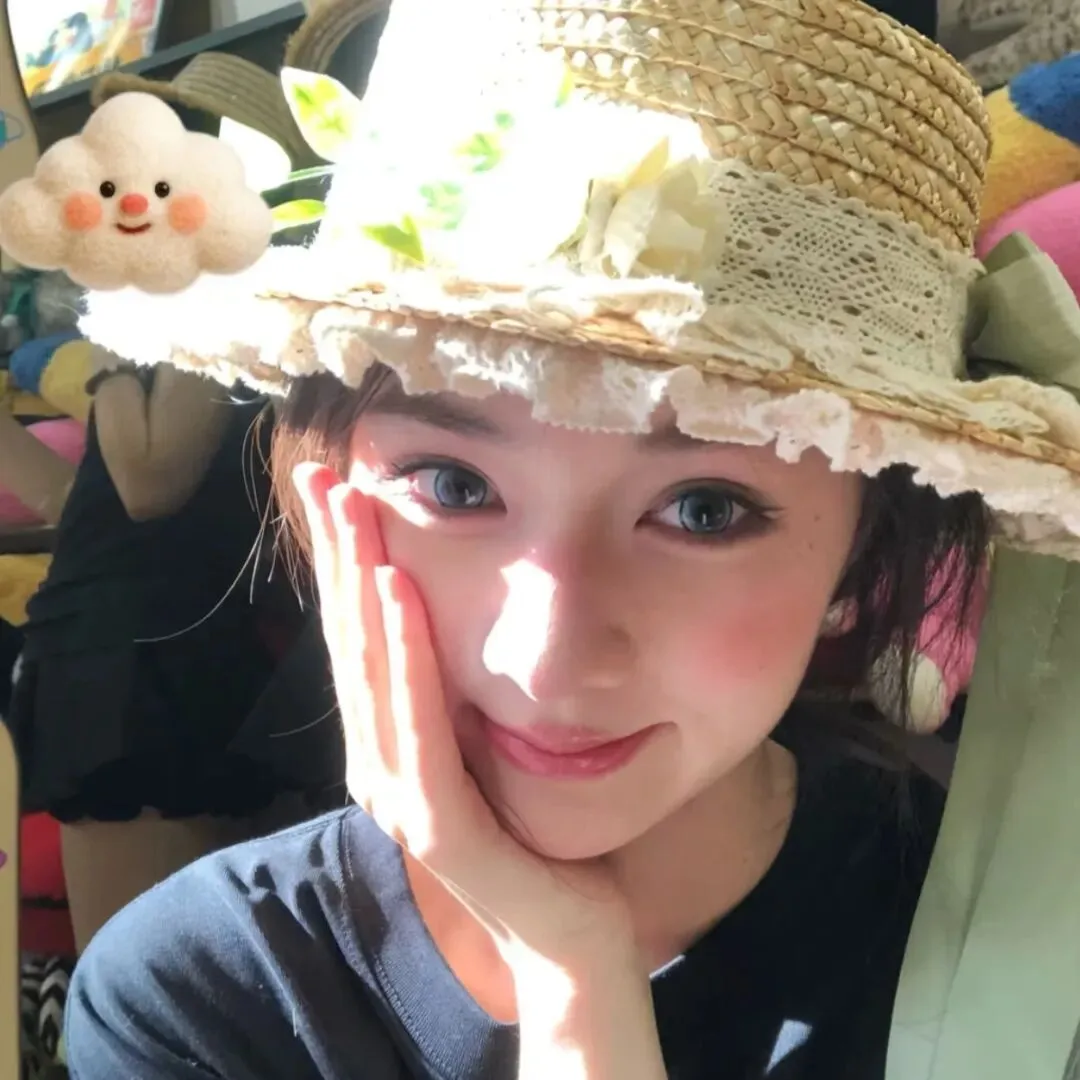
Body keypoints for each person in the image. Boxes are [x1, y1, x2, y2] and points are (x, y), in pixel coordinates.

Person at [62, 0, 1080, 1076]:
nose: (544, 659)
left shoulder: (1026, 946)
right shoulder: (197, 1001)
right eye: (453, 485)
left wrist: (578, 990)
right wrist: (567, 966)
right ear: (329, 495)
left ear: (864, 553)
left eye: (705, 510)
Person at [4, 356, 308, 952]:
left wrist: (110, 366)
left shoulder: (189, 310)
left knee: (154, 975)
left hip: (150, 649)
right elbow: (87, 498)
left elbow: (150, 482)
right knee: (148, 973)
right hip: (126, 645)